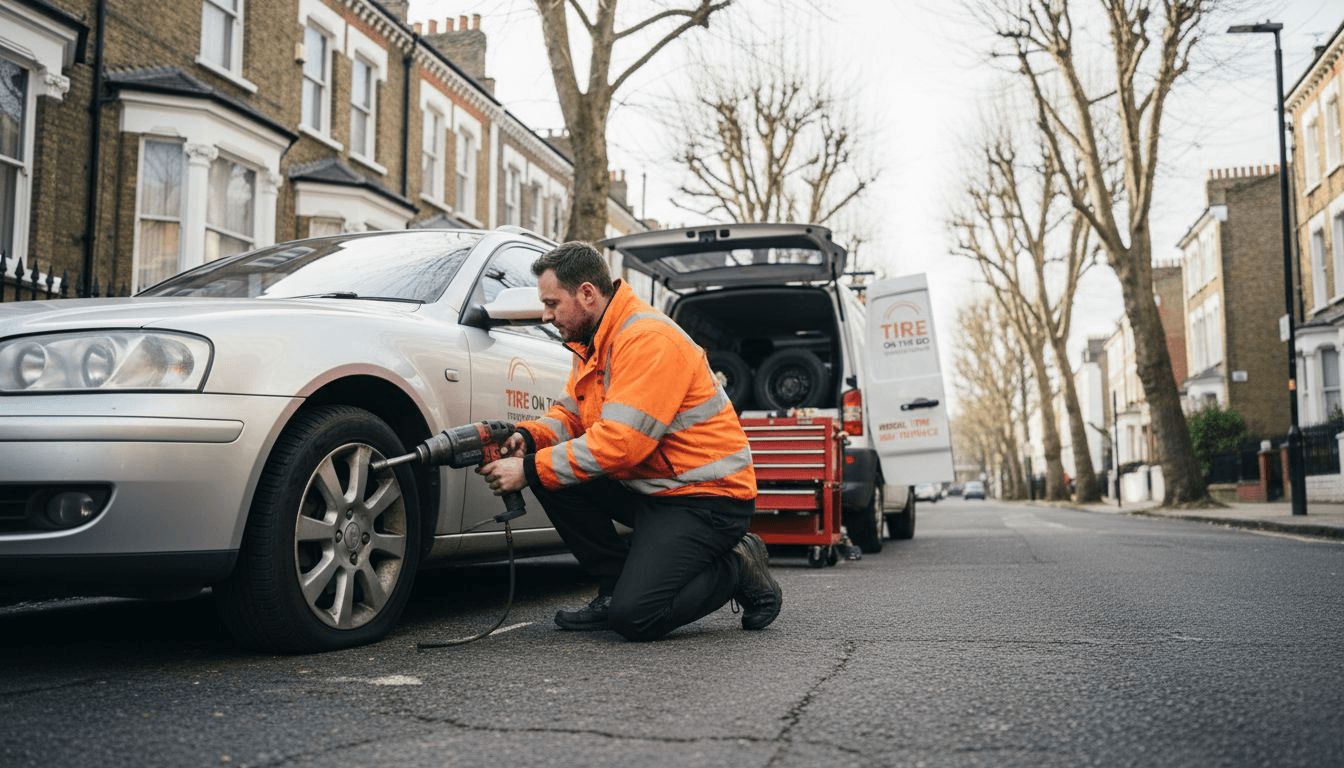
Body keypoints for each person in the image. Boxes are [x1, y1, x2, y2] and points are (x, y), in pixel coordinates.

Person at [478, 241, 782, 641]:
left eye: (552, 303)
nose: (546, 315)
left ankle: (739, 564)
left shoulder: (647, 339)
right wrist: (527, 438)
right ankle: (613, 587)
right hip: (654, 487)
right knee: (544, 465)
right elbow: (571, 415)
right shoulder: (591, 341)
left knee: (637, 617)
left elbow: (622, 443)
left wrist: (529, 468)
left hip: (707, 498)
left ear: (587, 293)